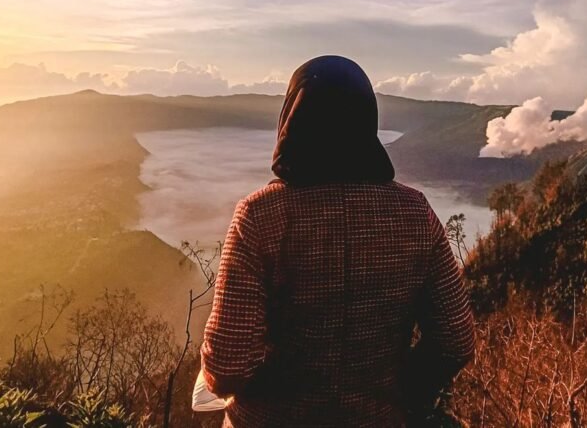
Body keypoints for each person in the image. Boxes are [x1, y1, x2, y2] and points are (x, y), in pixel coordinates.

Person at [201, 55, 474, 427]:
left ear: (290, 119)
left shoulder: (260, 216)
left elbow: (228, 365)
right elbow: (455, 338)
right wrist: (400, 391)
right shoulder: (415, 213)